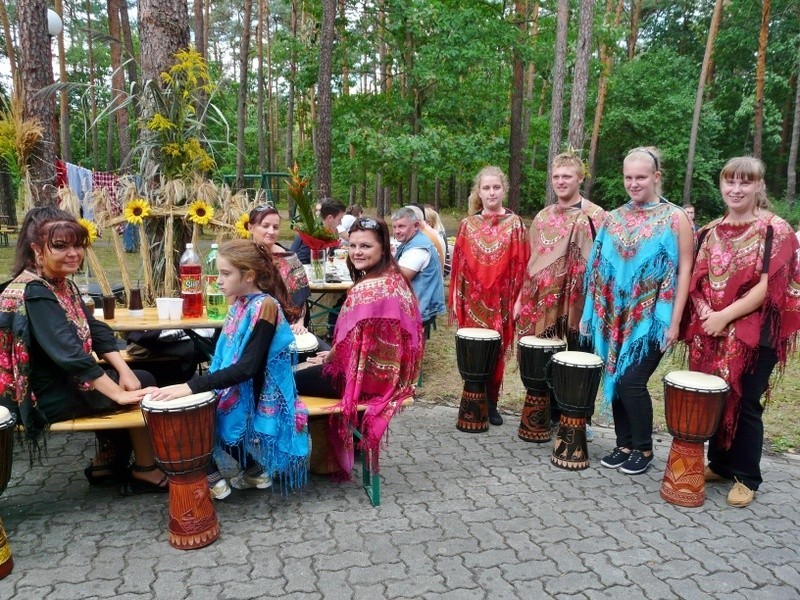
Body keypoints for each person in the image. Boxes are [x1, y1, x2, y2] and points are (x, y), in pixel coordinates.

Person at [0, 207, 165, 492]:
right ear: (37, 249)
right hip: (38, 398)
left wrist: (123, 371)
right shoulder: (35, 292)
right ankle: (145, 469)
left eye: (78, 245)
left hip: (57, 381)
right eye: (61, 246)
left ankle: (106, 463)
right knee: (143, 383)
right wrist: (118, 392)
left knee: (130, 378)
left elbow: (97, 330)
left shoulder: (61, 284)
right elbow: (70, 355)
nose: (74, 253)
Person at [149, 239, 310, 499]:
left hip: (258, 392)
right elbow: (229, 357)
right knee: (204, 409)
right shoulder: (242, 303)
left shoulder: (264, 307)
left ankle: (211, 479)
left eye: (225, 274)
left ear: (248, 276)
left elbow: (247, 368)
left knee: (199, 416)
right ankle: (255, 471)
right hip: (243, 386)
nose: (218, 281)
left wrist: (191, 386)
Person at [682, 157, 800, 507]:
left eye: (744, 183)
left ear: (759, 186)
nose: (736, 189)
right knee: (717, 396)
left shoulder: (773, 230)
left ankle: (747, 476)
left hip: (754, 334)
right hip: (711, 330)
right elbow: (697, 280)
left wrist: (724, 317)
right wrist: (706, 314)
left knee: (746, 401)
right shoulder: (711, 230)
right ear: (721, 185)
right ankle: (719, 464)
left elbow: (769, 287)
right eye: (729, 182)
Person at [581, 147, 693, 474]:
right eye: (628, 177)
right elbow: (597, 267)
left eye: (641, 177)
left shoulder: (675, 218)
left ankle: (643, 449)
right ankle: (623, 443)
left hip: (653, 318)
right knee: (615, 374)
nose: (634, 183)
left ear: (656, 177)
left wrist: (674, 322)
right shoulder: (614, 218)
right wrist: (591, 314)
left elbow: (684, 270)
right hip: (614, 314)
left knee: (632, 380)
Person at [295, 217, 423, 477]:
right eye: (352, 246)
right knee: (315, 358)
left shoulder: (365, 290)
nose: (357, 252)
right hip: (393, 377)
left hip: (363, 380)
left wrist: (327, 360)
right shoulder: (396, 279)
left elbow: (344, 344)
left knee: (289, 378)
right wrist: (328, 356)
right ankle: (340, 446)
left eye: (365, 246)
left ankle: (320, 451)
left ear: (383, 248)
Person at [513, 152, 606, 431]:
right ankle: (550, 411)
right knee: (546, 356)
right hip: (542, 299)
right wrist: (521, 298)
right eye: (556, 176)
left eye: (567, 176)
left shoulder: (596, 215)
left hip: (580, 300)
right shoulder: (542, 217)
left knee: (579, 358)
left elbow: (603, 262)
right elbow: (532, 261)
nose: (561, 181)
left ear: (580, 178)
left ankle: (580, 417)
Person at [449, 166, 529, 426]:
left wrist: (518, 301)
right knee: (473, 352)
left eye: (496, 187)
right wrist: (455, 298)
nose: (492, 192)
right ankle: (473, 400)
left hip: (502, 302)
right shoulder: (467, 224)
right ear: (478, 192)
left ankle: (492, 403)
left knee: (496, 353)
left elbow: (523, 266)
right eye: (486, 188)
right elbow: (459, 265)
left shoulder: (515, 224)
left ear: (504, 190)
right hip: (472, 300)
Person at [391, 206, 445, 326]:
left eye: (401, 226)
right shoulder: (414, 241)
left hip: (418, 310)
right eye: (394, 227)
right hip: (419, 306)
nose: (396, 231)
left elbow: (397, 280)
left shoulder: (418, 248)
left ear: (416, 226)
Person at [289, 198, 346, 264]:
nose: (341, 223)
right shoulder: (313, 234)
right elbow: (301, 261)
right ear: (330, 218)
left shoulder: (332, 231)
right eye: (339, 219)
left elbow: (331, 254)